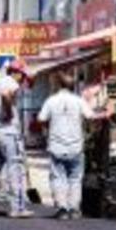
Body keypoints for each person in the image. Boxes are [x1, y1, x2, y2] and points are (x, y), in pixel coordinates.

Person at [37, 72, 106, 220]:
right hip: (75, 146)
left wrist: (49, 127)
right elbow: (90, 116)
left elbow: (41, 118)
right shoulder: (78, 101)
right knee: (75, 178)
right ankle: (74, 209)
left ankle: (62, 208)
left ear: (59, 86)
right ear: (72, 86)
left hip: (56, 146)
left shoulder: (51, 100)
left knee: (57, 177)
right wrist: (107, 114)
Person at [0, 60, 33, 219]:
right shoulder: (12, 84)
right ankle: (17, 207)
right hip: (8, 132)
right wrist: (7, 113)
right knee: (15, 170)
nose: (23, 80)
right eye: (22, 76)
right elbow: (6, 95)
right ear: (17, 73)